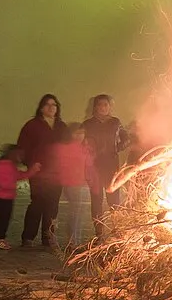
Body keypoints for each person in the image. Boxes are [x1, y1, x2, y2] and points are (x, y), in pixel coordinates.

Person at [15, 94, 64, 249]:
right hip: (40, 172)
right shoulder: (32, 126)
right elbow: (23, 147)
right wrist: (31, 164)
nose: (51, 108)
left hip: (57, 173)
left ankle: (47, 236)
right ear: (41, 107)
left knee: (53, 205)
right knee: (37, 203)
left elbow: (68, 148)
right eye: (47, 105)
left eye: (54, 105)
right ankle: (28, 237)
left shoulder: (61, 127)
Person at [77, 93, 127, 239]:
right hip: (94, 167)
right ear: (95, 107)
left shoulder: (115, 123)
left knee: (114, 201)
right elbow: (79, 143)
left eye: (105, 104)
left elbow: (126, 138)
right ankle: (99, 232)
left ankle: (117, 229)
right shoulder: (87, 124)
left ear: (110, 106)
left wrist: (117, 148)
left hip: (111, 166)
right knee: (97, 200)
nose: (103, 107)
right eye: (99, 105)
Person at [49, 123, 92, 248]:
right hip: (70, 184)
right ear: (70, 134)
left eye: (82, 133)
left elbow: (88, 165)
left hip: (79, 184)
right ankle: (72, 241)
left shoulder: (83, 148)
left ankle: (74, 240)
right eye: (76, 133)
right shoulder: (65, 148)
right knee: (74, 213)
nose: (79, 136)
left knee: (77, 213)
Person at [0, 146, 24, 249]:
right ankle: (0, 239)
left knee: (1, 217)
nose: (20, 157)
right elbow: (1, 181)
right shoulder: (4, 165)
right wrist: (10, 186)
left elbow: (18, 175)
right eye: (19, 154)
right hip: (3, 196)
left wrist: (32, 172)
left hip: (3, 195)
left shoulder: (7, 164)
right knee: (3, 217)